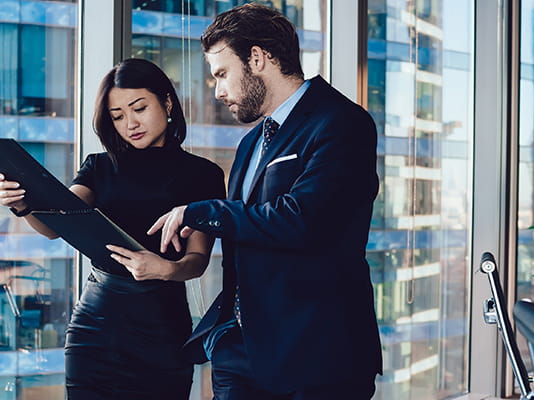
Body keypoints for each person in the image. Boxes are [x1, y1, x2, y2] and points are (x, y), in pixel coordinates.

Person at [146, 4, 382, 399]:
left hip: (318, 359)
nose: (218, 91)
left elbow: (302, 220)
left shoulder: (342, 122)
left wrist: (203, 212)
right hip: (240, 355)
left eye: (222, 74)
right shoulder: (250, 143)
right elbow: (251, 227)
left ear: (257, 58)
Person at [0, 58, 225, 399]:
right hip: (96, 327)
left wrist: (166, 269)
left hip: (162, 330)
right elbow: (56, 223)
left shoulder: (203, 174)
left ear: (167, 102)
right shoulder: (100, 166)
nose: (130, 123)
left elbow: (198, 259)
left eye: (139, 108)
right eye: (117, 116)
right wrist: (22, 204)